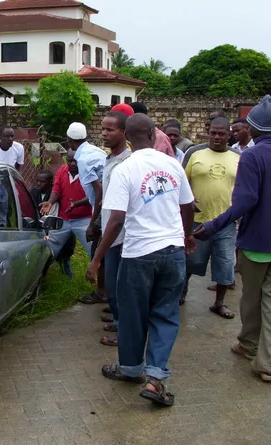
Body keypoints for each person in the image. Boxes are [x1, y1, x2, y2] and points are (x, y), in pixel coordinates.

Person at [87, 113, 196, 407]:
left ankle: (130, 369)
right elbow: (188, 206)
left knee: (133, 315)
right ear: (152, 133)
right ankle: (155, 379)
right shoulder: (173, 164)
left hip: (137, 255)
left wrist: (96, 259)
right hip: (172, 251)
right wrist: (187, 236)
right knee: (165, 314)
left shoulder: (125, 169)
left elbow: (116, 221)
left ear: (129, 136)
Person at [194, 95, 271, 382]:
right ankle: (248, 345)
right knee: (261, 299)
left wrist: (214, 225)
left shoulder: (251, 156)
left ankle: (264, 362)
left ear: (254, 129)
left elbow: (245, 201)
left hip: (257, 243)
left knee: (255, 299)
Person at [181, 118, 240, 317]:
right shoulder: (194, 152)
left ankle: (219, 303)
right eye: (213, 133)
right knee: (190, 260)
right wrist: (188, 199)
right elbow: (181, 180)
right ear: (208, 132)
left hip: (226, 222)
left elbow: (242, 187)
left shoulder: (238, 156)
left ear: (229, 135)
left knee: (224, 264)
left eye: (221, 134)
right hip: (196, 221)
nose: (216, 137)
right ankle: (181, 294)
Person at [98, 111, 132, 347]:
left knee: (120, 287)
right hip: (108, 231)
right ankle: (120, 322)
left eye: (110, 130)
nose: (104, 134)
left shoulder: (128, 162)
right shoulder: (109, 159)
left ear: (124, 133)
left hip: (122, 236)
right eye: (103, 129)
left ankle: (125, 333)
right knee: (113, 286)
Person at [66, 122, 108, 304]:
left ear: (69, 140)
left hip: (103, 210)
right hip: (110, 205)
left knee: (99, 251)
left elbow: (99, 191)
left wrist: (93, 223)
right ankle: (106, 292)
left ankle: (102, 292)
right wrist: (79, 203)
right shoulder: (97, 151)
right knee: (105, 252)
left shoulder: (82, 159)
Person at [39, 151, 93, 280]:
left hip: (84, 219)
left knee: (95, 252)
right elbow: (57, 189)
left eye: (76, 161)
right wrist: (50, 202)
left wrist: (78, 204)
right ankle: (39, 280)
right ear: (65, 160)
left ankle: (102, 287)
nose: (73, 163)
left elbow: (93, 194)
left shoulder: (88, 171)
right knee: (49, 250)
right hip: (63, 219)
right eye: (70, 161)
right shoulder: (62, 171)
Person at [32, 170, 77, 278]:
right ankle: (41, 273)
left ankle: (65, 263)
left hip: (57, 225)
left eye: (42, 181)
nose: (38, 184)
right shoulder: (33, 192)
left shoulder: (56, 195)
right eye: (37, 181)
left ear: (50, 182)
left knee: (65, 247)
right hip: (40, 226)